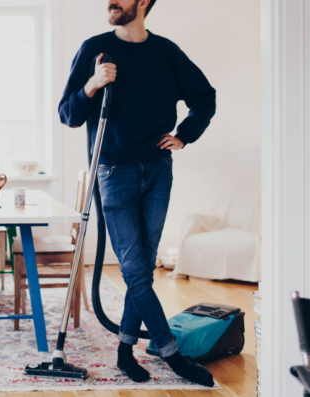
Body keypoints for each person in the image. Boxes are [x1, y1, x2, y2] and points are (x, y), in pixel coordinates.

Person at [58, 0, 217, 387]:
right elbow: (68, 114)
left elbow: (205, 97)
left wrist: (184, 135)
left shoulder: (166, 52)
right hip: (113, 172)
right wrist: (93, 84)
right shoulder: (95, 49)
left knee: (141, 268)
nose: (110, 1)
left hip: (158, 170)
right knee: (134, 269)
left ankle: (125, 350)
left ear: (143, 2)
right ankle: (171, 353)